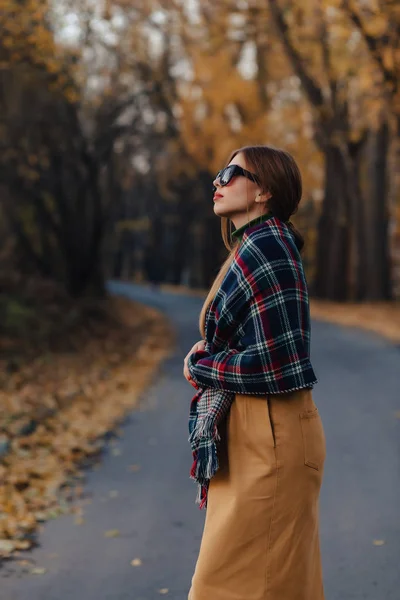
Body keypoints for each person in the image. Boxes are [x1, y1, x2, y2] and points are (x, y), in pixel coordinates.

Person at [183, 145, 326, 600]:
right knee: (274, 586)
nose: (217, 182)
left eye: (230, 173)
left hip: (271, 436)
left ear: (263, 189)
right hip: (260, 434)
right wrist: (211, 357)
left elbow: (279, 363)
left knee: (228, 588)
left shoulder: (268, 247)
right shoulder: (258, 243)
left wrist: (203, 364)